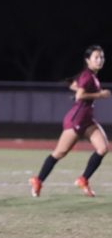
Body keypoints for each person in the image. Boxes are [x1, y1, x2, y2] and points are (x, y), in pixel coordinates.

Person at [29, 44, 110, 197]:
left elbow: (74, 85)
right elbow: (80, 95)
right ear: (88, 60)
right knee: (59, 153)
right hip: (76, 119)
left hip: (87, 119)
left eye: (102, 57)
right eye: (96, 57)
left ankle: (83, 179)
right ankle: (38, 180)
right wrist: (100, 95)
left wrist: (80, 89)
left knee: (103, 148)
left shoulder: (90, 75)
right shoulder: (88, 75)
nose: (100, 60)